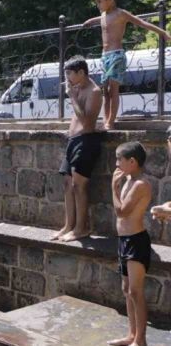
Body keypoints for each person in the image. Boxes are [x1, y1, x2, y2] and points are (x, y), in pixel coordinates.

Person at [82, 0, 171, 130]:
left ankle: (110, 121)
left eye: (99, 1)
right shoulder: (103, 15)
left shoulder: (120, 14)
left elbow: (141, 23)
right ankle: (105, 120)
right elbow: (100, 20)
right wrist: (90, 21)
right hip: (105, 56)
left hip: (116, 55)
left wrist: (163, 33)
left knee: (113, 89)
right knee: (105, 90)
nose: (98, 5)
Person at [51, 56, 103, 242]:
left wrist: (72, 97)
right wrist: (73, 94)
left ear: (81, 72)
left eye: (69, 74)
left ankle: (81, 228)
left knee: (78, 186)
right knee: (67, 183)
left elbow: (88, 123)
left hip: (86, 140)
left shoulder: (94, 91)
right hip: (73, 140)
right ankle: (68, 225)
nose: (67, 78)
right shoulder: (78, 88)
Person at [106, 142, 152, 346]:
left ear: (132, 162)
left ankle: (140, 340)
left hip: (136, 241)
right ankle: (132, 335)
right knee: (126, 290)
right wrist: (118, 185)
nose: (116, 164)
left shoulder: (141, 184)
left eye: (119, 160)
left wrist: (113, 188)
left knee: (135, 291)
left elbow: (122, 211)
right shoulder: (128, 180)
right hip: (123, 241)